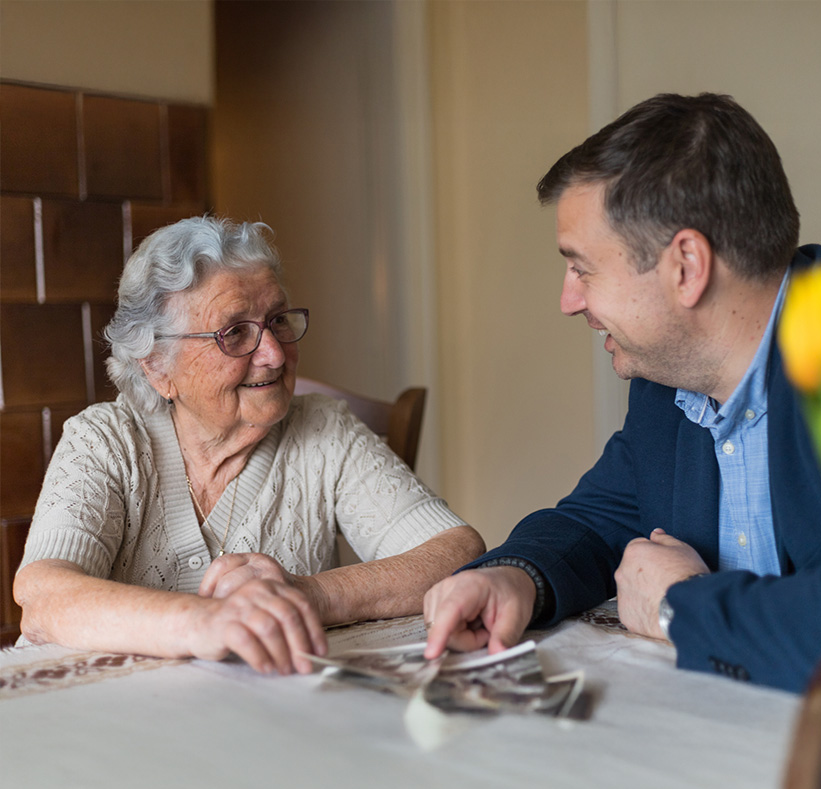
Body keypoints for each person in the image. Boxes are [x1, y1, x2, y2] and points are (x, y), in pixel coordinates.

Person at [422, 93, 821, 693]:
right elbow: (600, 518)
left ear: (686, 267)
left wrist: (680, 605)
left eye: (582, 267)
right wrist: (514, 577)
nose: (568, 301)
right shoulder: (669, 381)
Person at [14, 216, 484, 675]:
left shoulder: (323, 430)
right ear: (157, 366)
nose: (275, 353)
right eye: (235, 332)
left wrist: (310, 595)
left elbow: (457, 550)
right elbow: (44, 597)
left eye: (278, 320)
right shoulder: (105, 442)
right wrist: (204, 621)